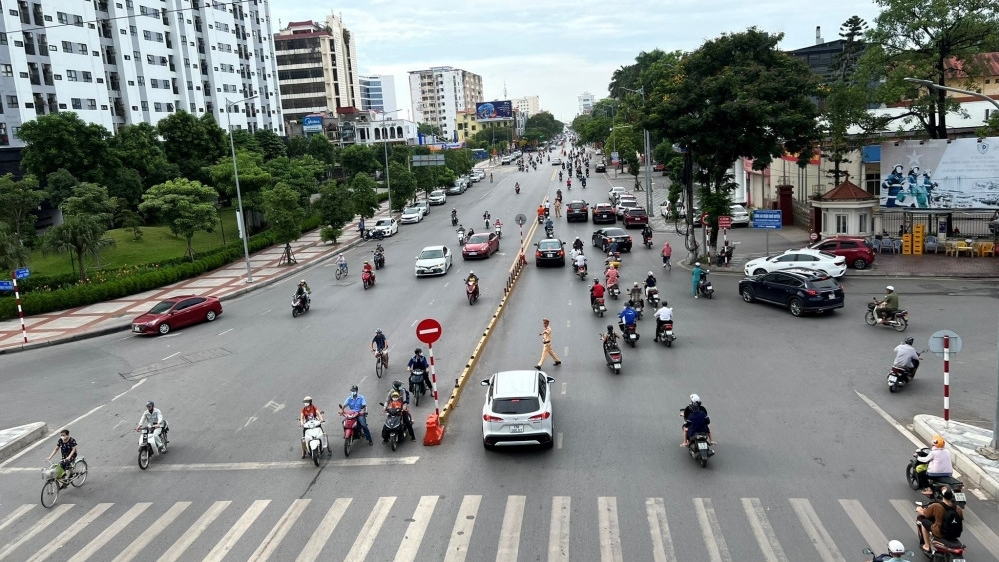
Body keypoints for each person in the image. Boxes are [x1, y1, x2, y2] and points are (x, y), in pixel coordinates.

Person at [916, 487, 963, 553]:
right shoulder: (958, 508)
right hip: (955, 533)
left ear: (942, 495)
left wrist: (918, 509)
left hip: (939, 532)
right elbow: (961, 518)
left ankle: (927, 546)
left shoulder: (936, 506)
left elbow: (925, 514)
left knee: (923, 522)